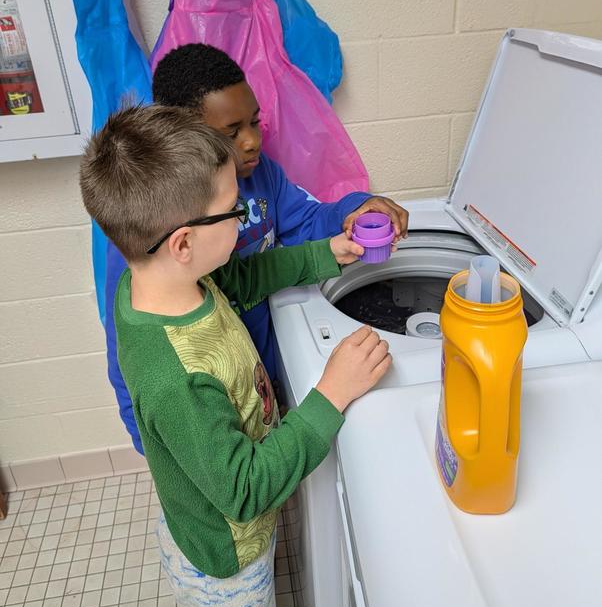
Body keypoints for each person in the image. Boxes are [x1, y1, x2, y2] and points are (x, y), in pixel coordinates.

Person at [80, 104, 392, 607]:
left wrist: (325, 253)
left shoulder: (161, 283)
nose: (244, 218)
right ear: (183, 243)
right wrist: (332, 393)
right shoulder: (176, 378)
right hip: (227, 557)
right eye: (233, 211)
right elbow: (244, 491)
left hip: (215, 515)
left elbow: (246, 277)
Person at [105, 43, 408, 454]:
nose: (251, 141)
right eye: (231, 132)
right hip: (209, 407)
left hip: (257, 378)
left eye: (255, 122)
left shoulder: (260, 176)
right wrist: (152, 441)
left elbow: (258, 264)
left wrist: (352, 212)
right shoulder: (146, 238)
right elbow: (128, 351)